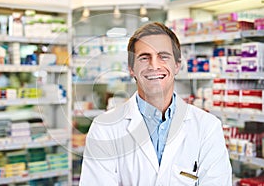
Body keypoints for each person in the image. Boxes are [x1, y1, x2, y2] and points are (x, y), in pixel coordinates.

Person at [79, 22, 232, 186]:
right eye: (144, 58)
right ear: (131, 68)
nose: (154, 65)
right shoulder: (104, 128)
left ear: (177, 65)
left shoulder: (207, 127)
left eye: (163, 56)